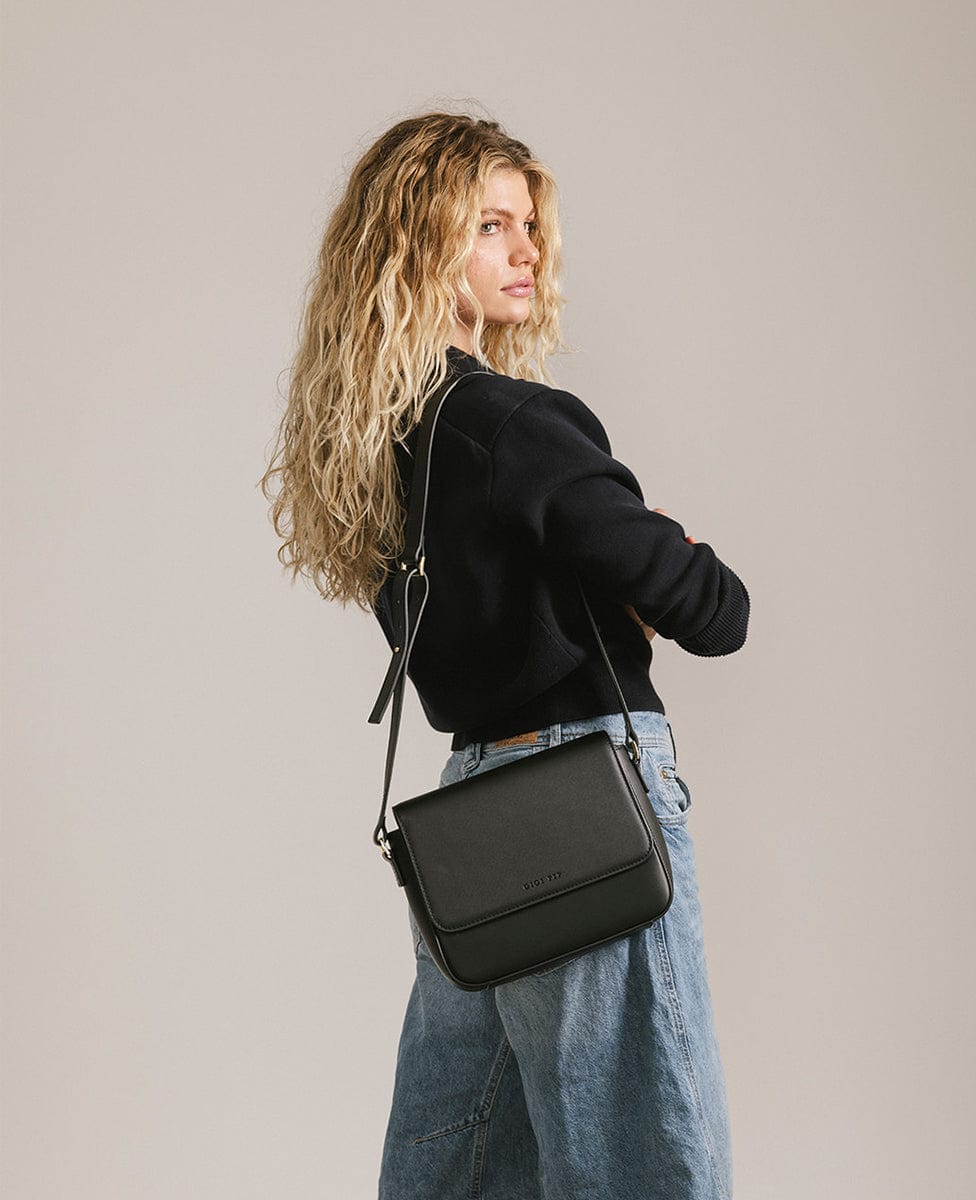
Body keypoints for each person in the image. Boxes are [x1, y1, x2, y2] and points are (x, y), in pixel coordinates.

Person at [260, 110, 750, 1200]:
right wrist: (670, 558)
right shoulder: (518, 424)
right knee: (641, 1164)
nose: (526, 251)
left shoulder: (386, 447)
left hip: (476, 817)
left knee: (460, 1165)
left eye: (527, 226)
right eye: (490, 226)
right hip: (582, 805)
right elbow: (716, 611)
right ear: (417, 245)